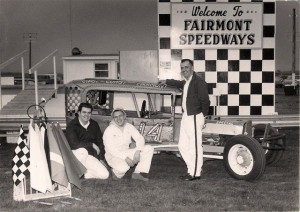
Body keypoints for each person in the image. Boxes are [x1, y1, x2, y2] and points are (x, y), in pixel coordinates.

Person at [159, 59, 210, 181]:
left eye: (186, 67)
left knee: (195, 147)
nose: (184, 70)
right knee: (182, 146)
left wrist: (203, 117)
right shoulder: (186, 82)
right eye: (182, 68)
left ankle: (195, 173)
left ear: (192, 68)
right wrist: (165, 81)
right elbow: (177, 83)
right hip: (186, 116)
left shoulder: (199, 82)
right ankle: (191, 169)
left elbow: (206, 101)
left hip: (195, 116)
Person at [103, 108, 154, 181]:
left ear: (124, 116)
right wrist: (126, 159)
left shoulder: (129, 126)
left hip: (127, 152)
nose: (118, 119)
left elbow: (140, 138)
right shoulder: (109, 130)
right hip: (113, 156)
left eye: (120, 116)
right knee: (123, 167)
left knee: (148, 148)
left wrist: (137, 152)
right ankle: (115, 173)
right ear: (113, 119)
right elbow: (111, 150)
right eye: (116, 117)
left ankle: (137, 173)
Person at [66, 102, 109, 179]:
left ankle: (83, 174)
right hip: (76, 155)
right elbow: (74, 144)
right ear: (79, 113)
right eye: (84, 112)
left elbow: (100, 142)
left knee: (105, 175)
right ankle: (76, 171)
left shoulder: (94, 124)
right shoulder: (72, 125)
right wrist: (91, 144)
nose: (86, 115)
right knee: (83, 151)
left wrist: (101, 158)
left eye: (89, 113)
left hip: (89, 156)